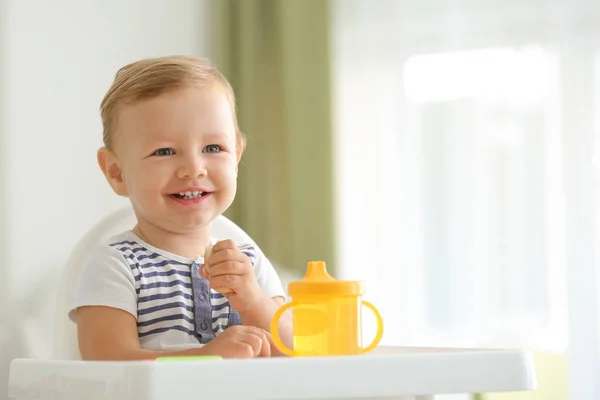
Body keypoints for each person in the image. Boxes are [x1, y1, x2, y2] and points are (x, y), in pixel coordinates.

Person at [69, 55, 292, 360]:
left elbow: (296, 354)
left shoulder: (250, 263)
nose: (193, 169)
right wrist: (206, 358)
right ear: (116, 172)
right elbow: (107, 361)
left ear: (237, 156)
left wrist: (253, 300)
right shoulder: (116, 266)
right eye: (164, 151)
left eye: (213, 148)